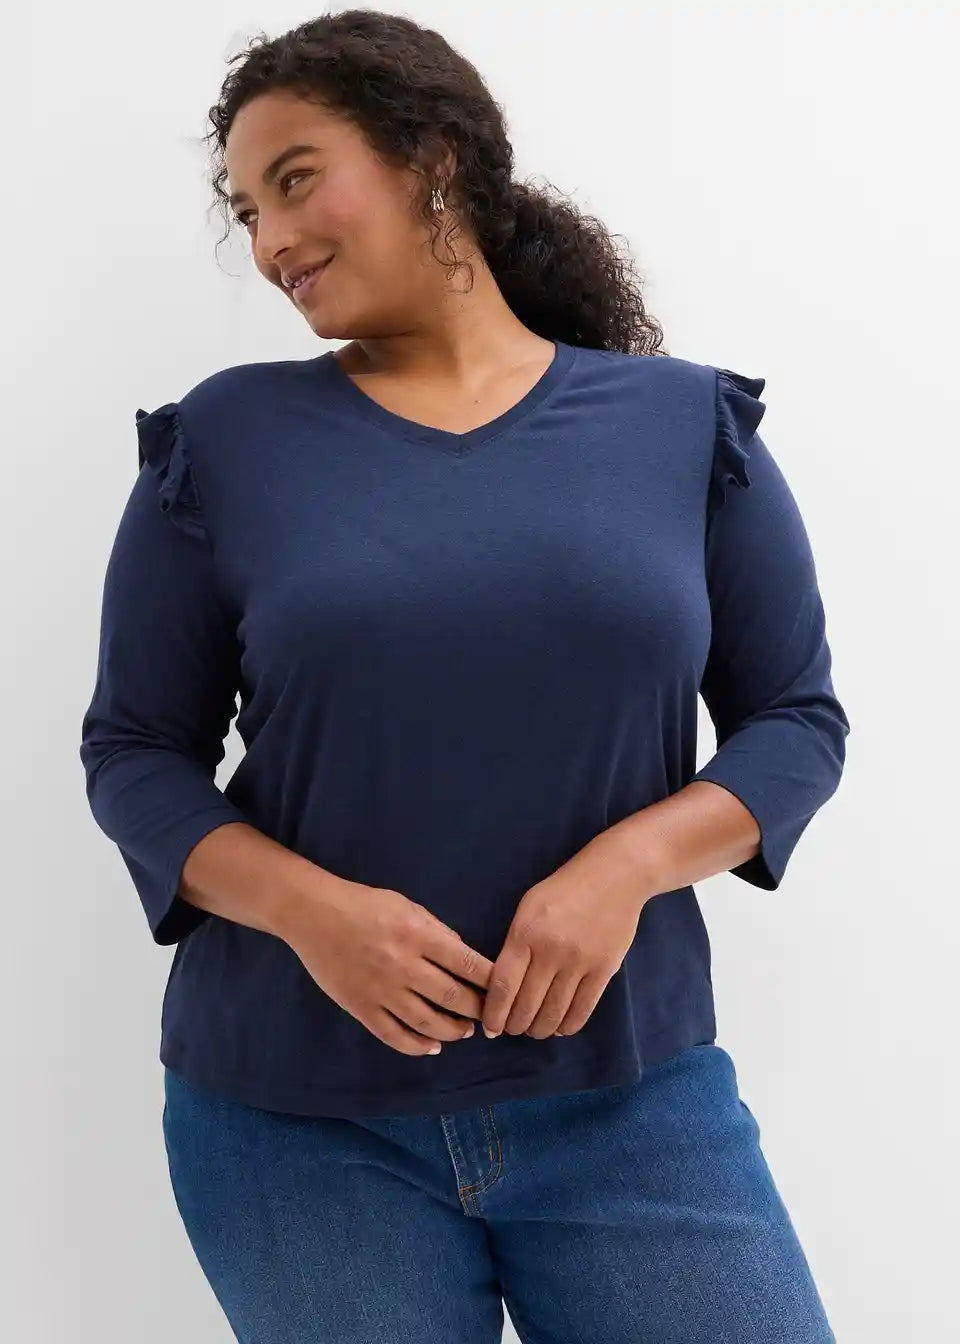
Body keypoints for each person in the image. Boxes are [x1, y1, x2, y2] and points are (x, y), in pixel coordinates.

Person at [78, 9, 849, 1341]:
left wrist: (628, 868)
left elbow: (796, 723)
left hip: (630, 1103)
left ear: (433, 156)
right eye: (248, 211)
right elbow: (135, 755)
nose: (270, 242)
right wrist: (316, 915)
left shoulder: (683, 428)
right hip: (294, 1127)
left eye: (297, 181)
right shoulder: (226, 443)